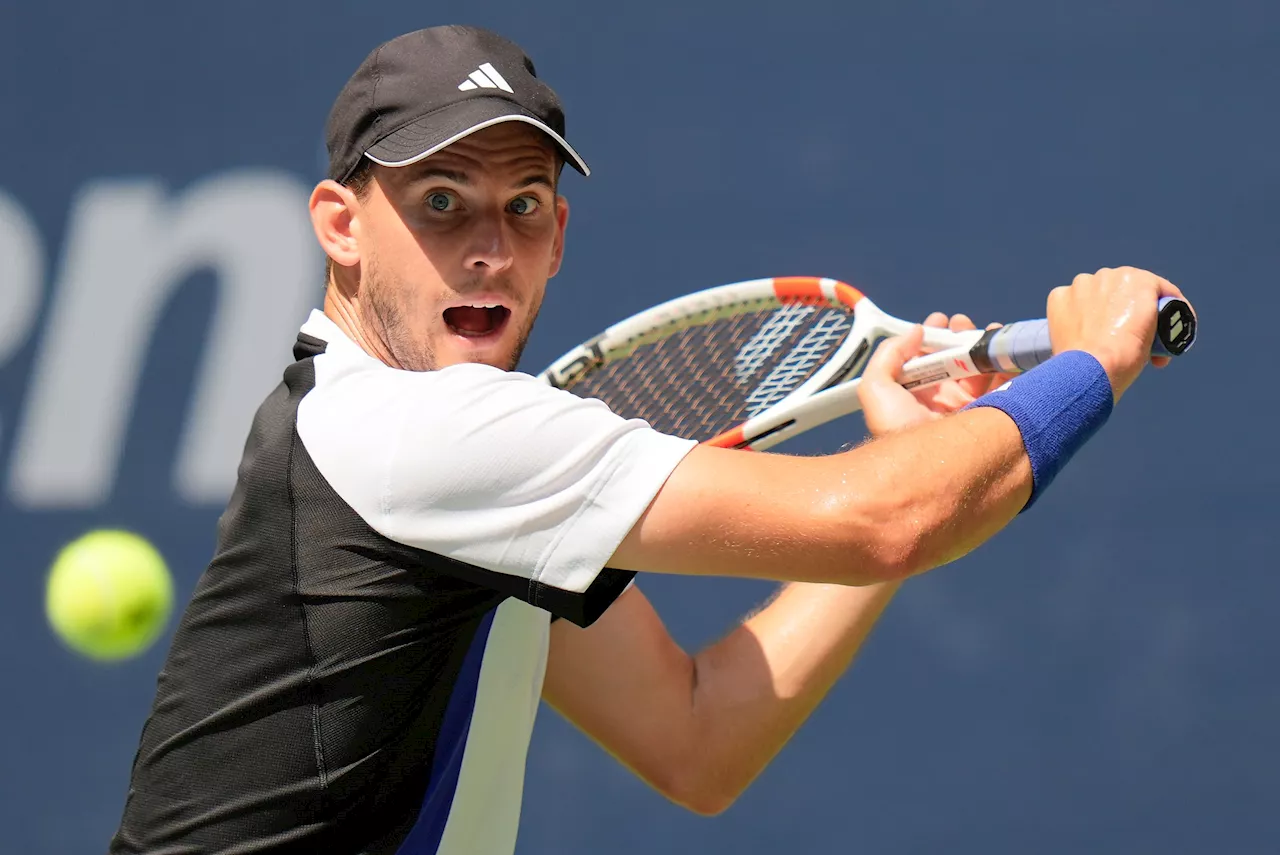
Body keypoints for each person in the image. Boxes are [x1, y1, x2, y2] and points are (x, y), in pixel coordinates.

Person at [110, 24, 1191, 855]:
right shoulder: (417, 432)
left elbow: (695, 737)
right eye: (441, 202)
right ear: (340, 226)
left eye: (523, 205)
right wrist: (1087, 366)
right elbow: (889, 516)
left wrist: (905, 446)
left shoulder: (450, 481)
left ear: (560, 236)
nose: (490, 247)